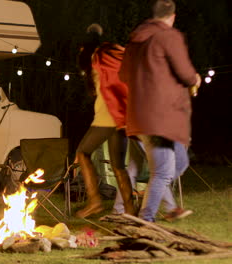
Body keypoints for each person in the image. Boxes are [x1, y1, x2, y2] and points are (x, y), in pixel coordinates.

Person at [119, 0, 201, 222]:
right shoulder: (169, 37)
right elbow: (185, 74)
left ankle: (156, 199)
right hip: (160, 118)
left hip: (140, 117)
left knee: (180, 162)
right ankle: (145, 221)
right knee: (163, 172)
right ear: (172, 17)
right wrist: (196, 79)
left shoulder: (134, 43)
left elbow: (123, 76)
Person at [73, 24, 135, 218]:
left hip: (107, 114)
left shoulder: (95, 57)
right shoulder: (114, 53)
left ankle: (95, 202)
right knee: (118, 166)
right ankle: (131, 211)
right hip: (123, 115)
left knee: (82, 153)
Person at [112, 139, 192, 221]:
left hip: (137, 131)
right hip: (148, 132)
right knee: (161, 173)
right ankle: (170, 209)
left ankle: (119, 210)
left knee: (133, 170)